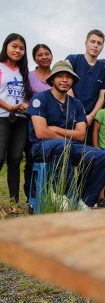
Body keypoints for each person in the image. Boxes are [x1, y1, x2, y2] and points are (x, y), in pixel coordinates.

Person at [27, 60, 105, 208]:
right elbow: (41, 132)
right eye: (60, 76)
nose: (65, 80)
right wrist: (67, 138)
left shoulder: (76, 104)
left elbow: (81, 135)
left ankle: (84, 202)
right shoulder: (40, 98)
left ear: (73, 81)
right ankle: (60, 195)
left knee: (104, 157)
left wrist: (55, 129)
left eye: (69, 77)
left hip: (69, 146)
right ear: (52, 79)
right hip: (42, 148)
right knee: (64, 144)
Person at [66, 29, 105, 145]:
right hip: (70, 114)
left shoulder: (104, 70)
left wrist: (91, 116)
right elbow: (65, 84)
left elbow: (102, 96)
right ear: (86, 43)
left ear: (102, 47)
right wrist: (78, 109)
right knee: (67, 152)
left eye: (99, 43)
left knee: (87, 156)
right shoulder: (73, 60)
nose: (95, 46)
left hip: (90, 119)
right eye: (93, 41)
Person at [0, 33, 29, 203]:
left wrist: (24, 104)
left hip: (20, 120)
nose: (18, 50)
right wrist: (10, 107)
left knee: (15, 159)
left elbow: (25, 95)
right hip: (2, 117)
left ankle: (14, 201)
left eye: (21, 48)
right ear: (6, 47)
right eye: (14, 46)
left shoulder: (23, 71)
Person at [25, 44, 53, 201]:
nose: (44, 57)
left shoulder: (56, 76)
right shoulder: (29, 76)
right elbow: (24, 96)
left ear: (52, 56)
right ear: (35, 58)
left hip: (54, 123)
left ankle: (48, 196)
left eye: (47, 54)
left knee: (51, 161)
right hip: (33, 124)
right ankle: (32, 197)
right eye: (40, 55)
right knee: (32, 161)